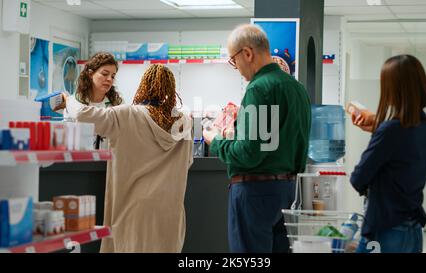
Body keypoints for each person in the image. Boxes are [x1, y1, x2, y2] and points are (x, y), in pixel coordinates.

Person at [203, 24, 311, 253]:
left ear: (248, 53)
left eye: (234, 61)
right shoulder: (297, 89)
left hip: (255, 194)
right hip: (288, 191)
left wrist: (216, 141)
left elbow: (249, 154)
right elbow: (291, 143)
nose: (236, 68)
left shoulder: (259, 89)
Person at [65, 64, 193, 252]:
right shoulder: (185, 122)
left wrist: (69, 100)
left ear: (144, 86)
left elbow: (84, 115)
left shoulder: (126, 114)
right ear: (171, 89)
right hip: (170, 212)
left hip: (134, 211)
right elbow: (188, 162)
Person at [350, 55, 426, 253]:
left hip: (385, 229)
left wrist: (380, 133)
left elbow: (358, 178)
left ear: (393, 89)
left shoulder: (391, 131)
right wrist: (379, 127)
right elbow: (402, 154)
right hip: (412, 229)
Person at [65, 52, 123, 149]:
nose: (109, 79)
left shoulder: (117, 103)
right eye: (105, 74)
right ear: (91, 74)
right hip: (80, 160)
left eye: (113, 76)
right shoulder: (74, 102)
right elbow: (80, 115)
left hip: (108, 160)